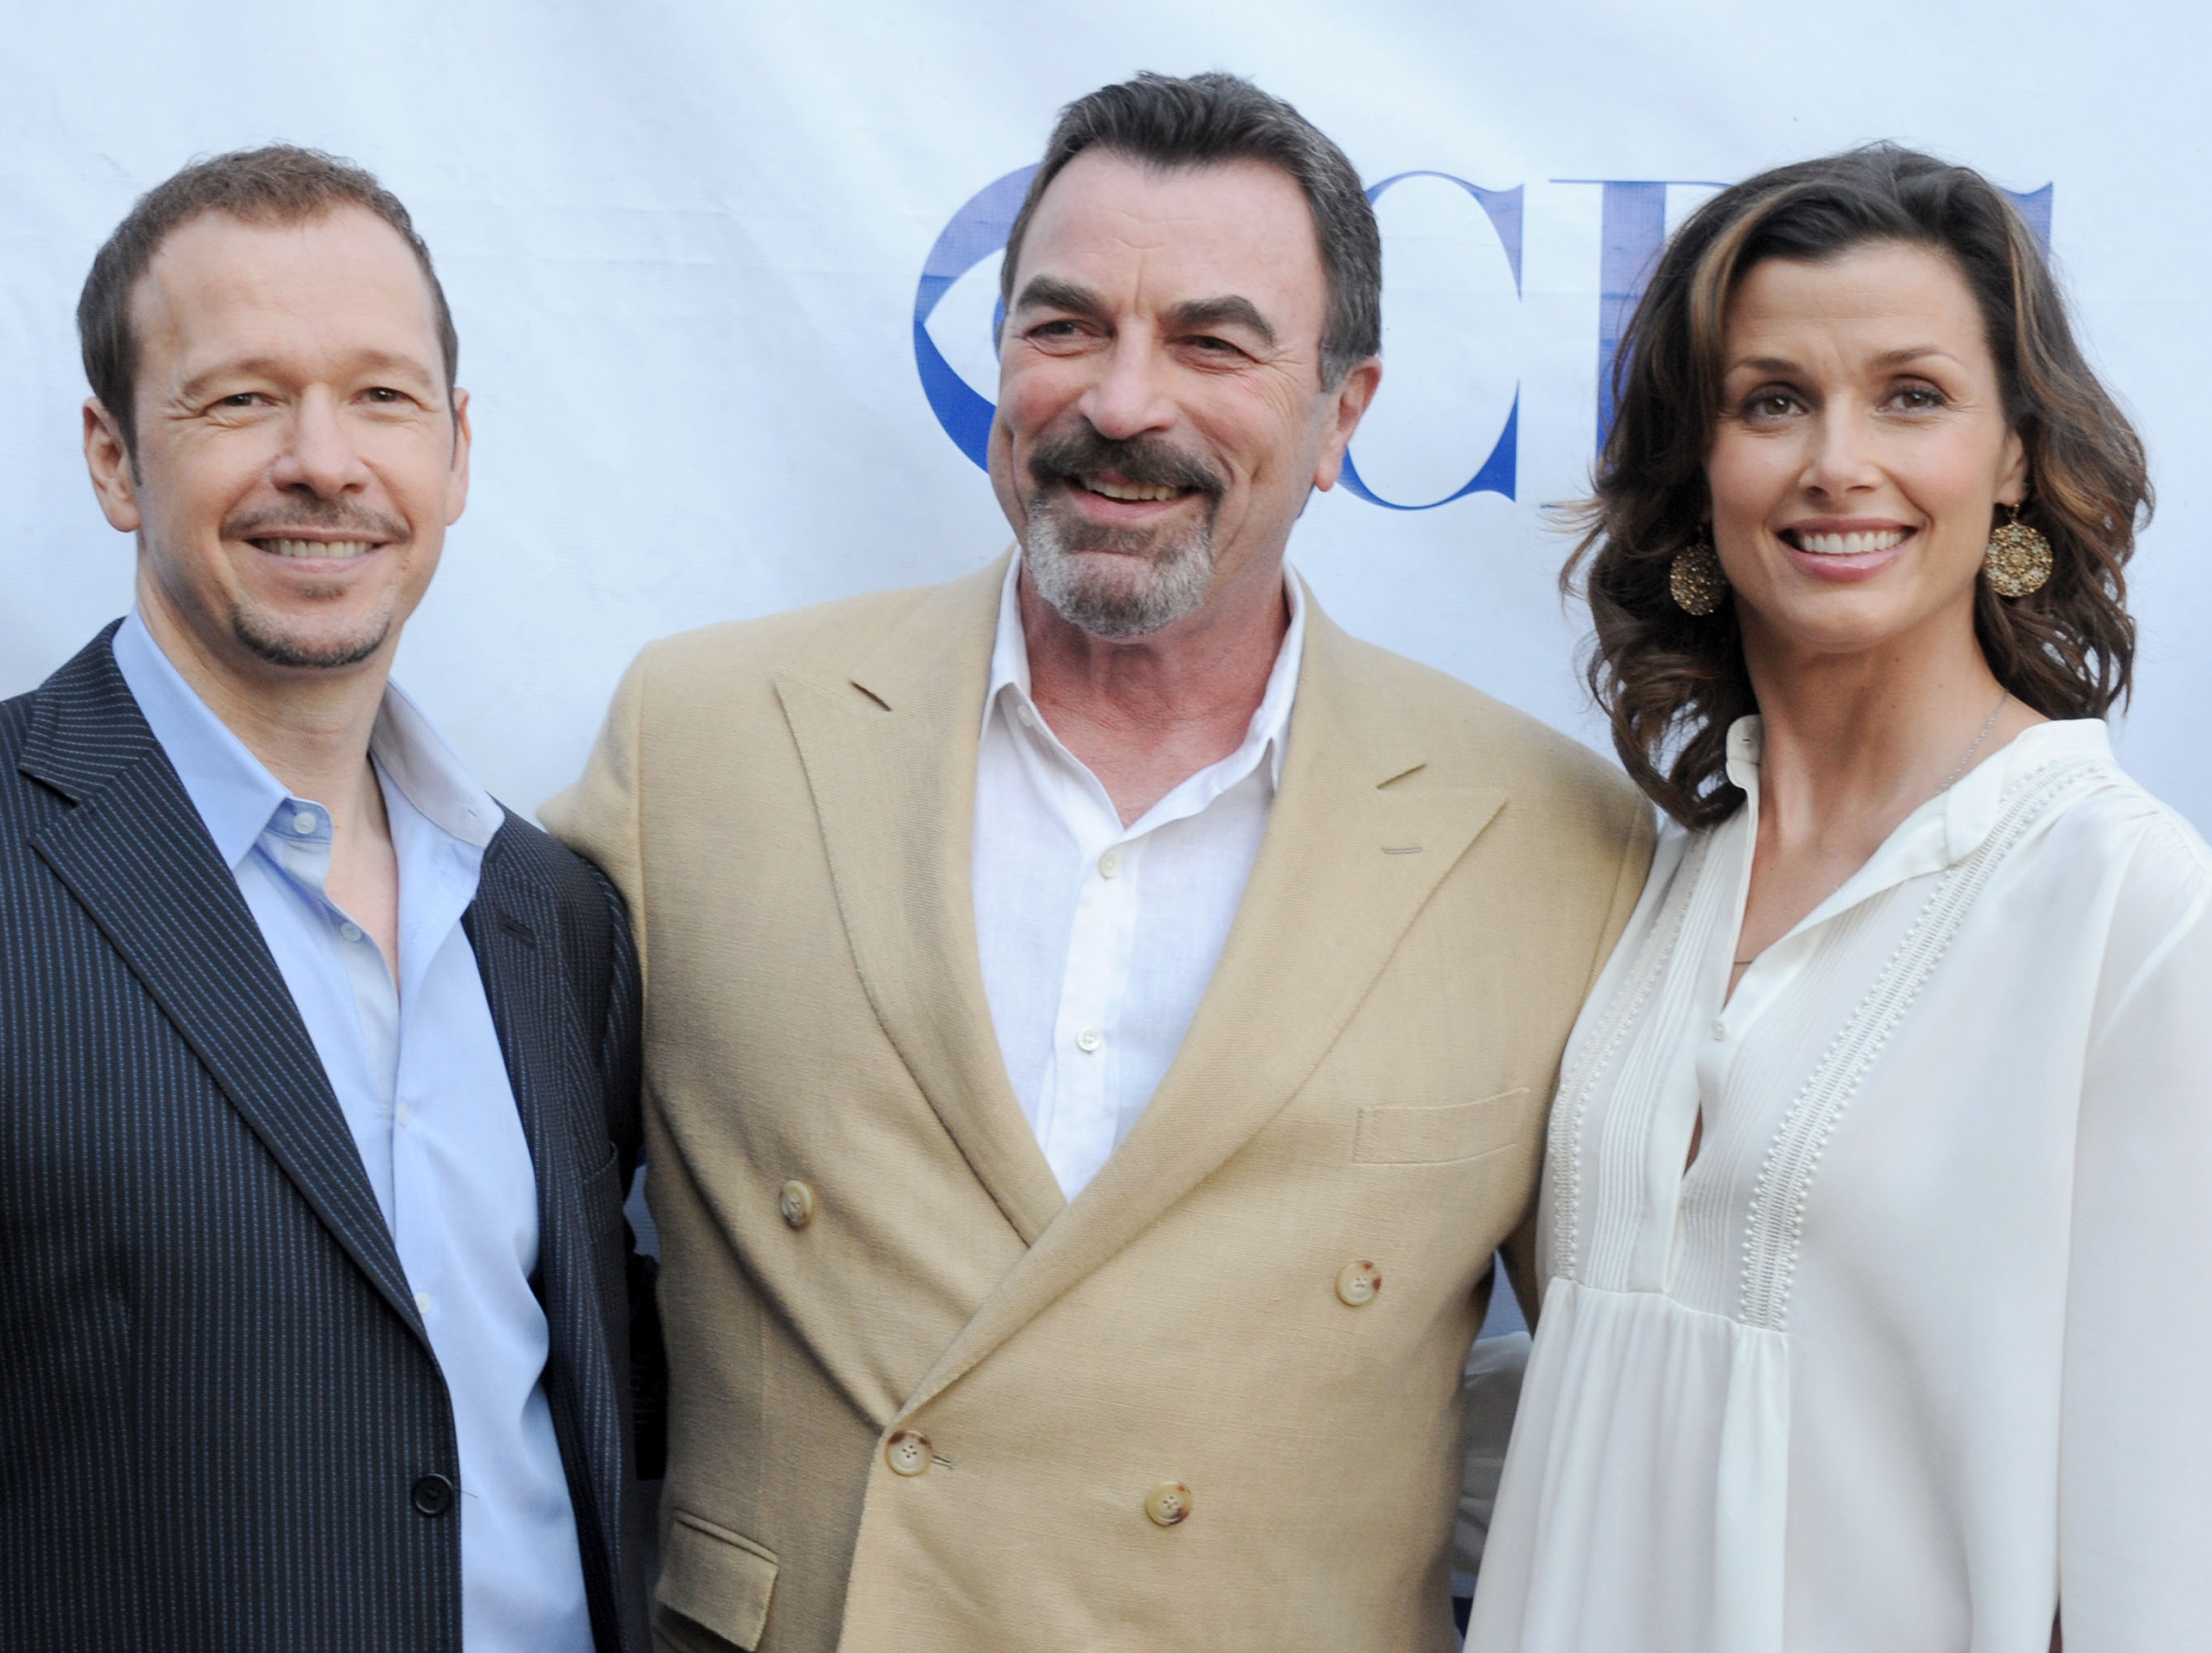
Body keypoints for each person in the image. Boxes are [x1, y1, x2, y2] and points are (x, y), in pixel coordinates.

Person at [545, 73, 1652, 1652]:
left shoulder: (1553, 843)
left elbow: (1642, 1394)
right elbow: (472, 1242)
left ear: (1345, 413)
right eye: (1064, 327)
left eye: (1214, 342)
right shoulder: (700, 739)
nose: (1124, 404)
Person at [0, 147, 661, 1651]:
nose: (323, 461)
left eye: (382, 398)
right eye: (242, 398)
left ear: (457, 454)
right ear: (116, 458)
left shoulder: (553, 921)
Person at [1465, 145, 2212, 1652]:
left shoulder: (2135, 919)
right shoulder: (1651, 887)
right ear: (1702, 464)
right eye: (1773, 400)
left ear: (2015, 455)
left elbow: (2187, 1565)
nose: (1839, 462)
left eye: (1913, 395)